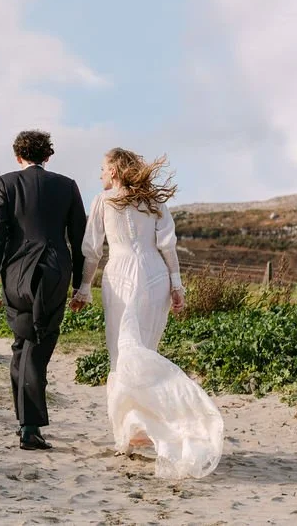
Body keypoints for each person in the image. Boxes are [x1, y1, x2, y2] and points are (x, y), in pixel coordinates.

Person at [70, 148, 223, 478]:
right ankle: (140, 427)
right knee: (144, 352)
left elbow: (92, 250)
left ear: (113, 171)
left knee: (121, 354)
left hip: (121, 275)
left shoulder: (103, 200)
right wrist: (177, 284)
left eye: (102, 168)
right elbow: (168, 245)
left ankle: (129, 434)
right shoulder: (154, 202)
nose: (99, 174)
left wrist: (83, 287)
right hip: (155, 276)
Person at [0, 130, 86, 450]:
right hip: (55, 272)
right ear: (48, 156)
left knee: (23, 343)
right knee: (36, 345)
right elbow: (79, 238)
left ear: (18, 156)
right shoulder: (66, 185)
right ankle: (29, 427)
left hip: (15, 274)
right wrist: (80, 283)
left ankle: (26, 422)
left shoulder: (6, 183)